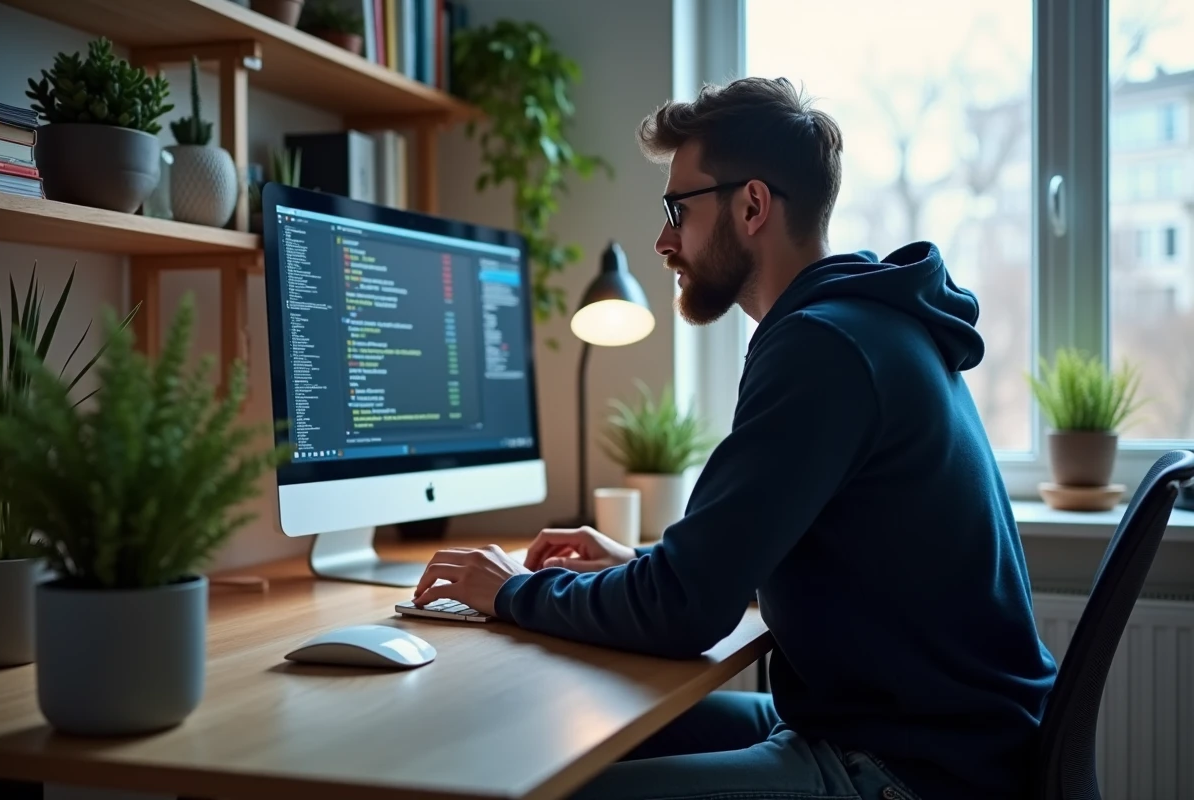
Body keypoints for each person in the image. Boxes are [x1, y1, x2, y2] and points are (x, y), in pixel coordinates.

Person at [410, 76, 1058, 800]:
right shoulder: (864, 326)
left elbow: (686, 611)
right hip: (919, 735)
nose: (663, 240)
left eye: (676, 209)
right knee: (566, 732)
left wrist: (515, 593)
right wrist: (643, 565)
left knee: (557, 786)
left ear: (751, 205)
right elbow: (748, 559)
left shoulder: (824, 348)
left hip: (912, 769)